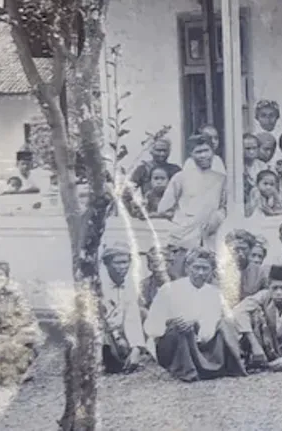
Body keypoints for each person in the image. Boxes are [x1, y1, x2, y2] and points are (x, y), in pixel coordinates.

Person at [144, 248, 247, 382]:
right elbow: (152, 327)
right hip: (172, 346)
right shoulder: (169, 290)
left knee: (223, 325)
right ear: (187, 268)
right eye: (196, 267)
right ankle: (185, 369)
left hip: (200, 344)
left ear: (211, 271)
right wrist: (172, 323)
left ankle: (212, 366)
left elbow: (209, 329)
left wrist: (195, 324)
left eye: (205, 269)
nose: (200, 273)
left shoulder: (214, 294)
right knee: (179, 329)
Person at [156, 134, 228, 256]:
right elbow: (163, 208)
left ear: (213, 151)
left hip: (210, 239)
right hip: (183, 239)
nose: (203, 155)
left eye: (206, 150)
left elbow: (225, 206)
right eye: (198, 152)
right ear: (191, 154)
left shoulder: (221, 179)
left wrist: (217, 217)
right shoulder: (180, 177)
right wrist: (183, 220)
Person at [99, 241, 149, 374]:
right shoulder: (99, 285)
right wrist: (118, 338)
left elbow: (132, 316)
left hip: (123, 330)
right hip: (105, 332)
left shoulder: (130, 284)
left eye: (125, 262)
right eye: (117, 263)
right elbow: (104, 320)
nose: (122, 267)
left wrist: (136, 347)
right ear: (107, 264)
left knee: (143, 312)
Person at [0, 262, 40, 386]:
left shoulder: (16, 296)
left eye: (1, 275)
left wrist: (12, 335)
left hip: (14, 334)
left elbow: (26, 317)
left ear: (7, 277)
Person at [224, 229, 268, 307]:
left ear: (250, 249)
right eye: (236, 249)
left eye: (244, 249)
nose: (240, 253)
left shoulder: (260, 272)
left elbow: (266, 295)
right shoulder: (221, 271)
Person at [241, 133, 269, 206]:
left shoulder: (263, 166)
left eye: (254, 148)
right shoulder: (238, 166)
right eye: (247, 149)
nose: (251, 152)